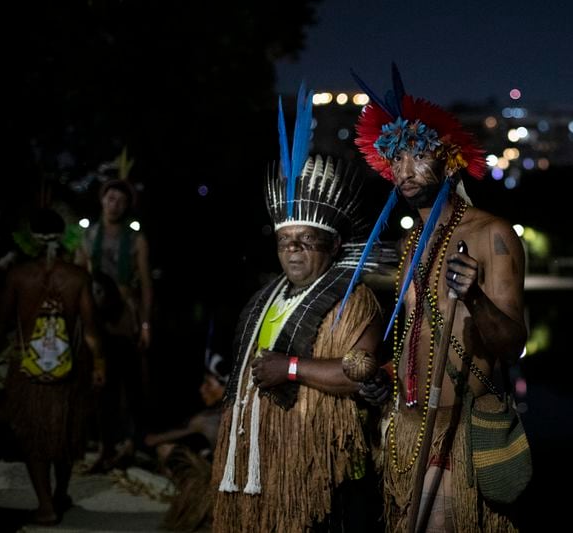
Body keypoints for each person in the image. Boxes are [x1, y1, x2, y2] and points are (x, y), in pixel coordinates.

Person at [348, 66, 528, 531]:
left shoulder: (492, 235)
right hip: (408, 427)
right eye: (395, 159)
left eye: (416, 157)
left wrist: (476, 300)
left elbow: (513, 344)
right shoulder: (411, 247)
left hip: (459, 429)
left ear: (449, 160)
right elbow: (415, 338)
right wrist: (384, 378)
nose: (402, 171)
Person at [211, 87, 384, 532]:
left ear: (334, 247)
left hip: (312, 460)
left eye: (307, 242)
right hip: (254, 454)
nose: (294, 251)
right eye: (286, 241)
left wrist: (289, 368)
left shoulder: (353, 297)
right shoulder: (266, 296)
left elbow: (355, 373)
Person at [0, 208, 105, 526]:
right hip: (70, 367)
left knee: (35, 435)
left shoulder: (18, 276)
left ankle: (46, 504)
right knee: (64, 429)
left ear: (29, 239)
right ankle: (59, 494)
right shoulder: (77, 276)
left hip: (27, 369)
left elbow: (2, 323)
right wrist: (99, 364)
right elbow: (90, 330)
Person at [74, 175, 154, 471]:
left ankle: (132, 444)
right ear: (102, 200)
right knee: (99, 383)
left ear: (127, 205)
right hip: (95, 318)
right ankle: (104, 447)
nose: (115, 204)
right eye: (110, 198)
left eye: (121, 200)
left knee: (130, 383)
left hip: (124, 319)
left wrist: (146, 325)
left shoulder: (135, 239)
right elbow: (78, 276)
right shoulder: (89, 235)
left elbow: (145, 284)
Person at [145, 352, 229, 532]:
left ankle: (201, 507)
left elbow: (152, 442)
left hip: (219, 492)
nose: (201, 389)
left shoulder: (207, 420)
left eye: (208, 383)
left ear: (225, 385)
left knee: (165, 450)